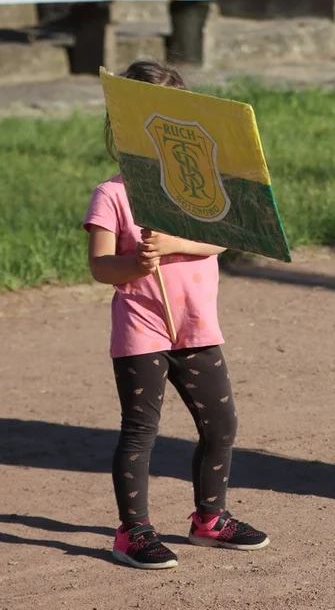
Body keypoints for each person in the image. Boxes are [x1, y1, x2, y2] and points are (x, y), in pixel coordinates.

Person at [84, 60, 269, 570]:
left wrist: (173, 242)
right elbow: (100, 266)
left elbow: (225, 237)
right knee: (141, 430)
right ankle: (133, 532)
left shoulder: (195, 188)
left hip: (195, 323)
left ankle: (210, 520)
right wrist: (135, 261)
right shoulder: (113, 193)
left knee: (221, 424)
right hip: (142, 324)